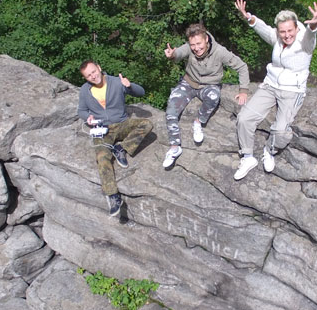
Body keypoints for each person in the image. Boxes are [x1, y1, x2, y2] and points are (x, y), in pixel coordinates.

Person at [232, 0, 317, 180]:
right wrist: (247, 17)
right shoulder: (277, 37)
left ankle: (269, 150)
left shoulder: (304, 41)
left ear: (296, 28)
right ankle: (247, 157)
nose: (286, 35)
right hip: (271, 85)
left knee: (281, 132)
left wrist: (314, 24)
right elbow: (264, 29)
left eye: (290, 30)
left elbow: (311, 36)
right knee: (244, 118)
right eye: (282, 32)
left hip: (293, 90)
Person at [161, 23, 250, 168]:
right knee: (171, 110)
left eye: (199, 44)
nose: (196, 48)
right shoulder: (189, 47)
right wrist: (172, 55)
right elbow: (180, 53)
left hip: (210, 85)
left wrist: (243, 90)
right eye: (193, 45)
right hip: (188, 83)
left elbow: (242, 66)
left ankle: (198, 122)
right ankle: (174, 147)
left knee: (214, 97)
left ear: (206, 40)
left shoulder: (220, 51)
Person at [77, 60, 153, 216]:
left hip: (121, 124)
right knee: (102, 157)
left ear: (99, 67)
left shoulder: (116, 82)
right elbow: (81, 110)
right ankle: (113, 196)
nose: (93, 76)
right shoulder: (85, 90)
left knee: (146, 124)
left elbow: (141, 92)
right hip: (102, 129)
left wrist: (129, 86)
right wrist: (88, 118)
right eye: (88, 75)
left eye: (94, 71)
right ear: (85, 78)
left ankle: (122, 148)